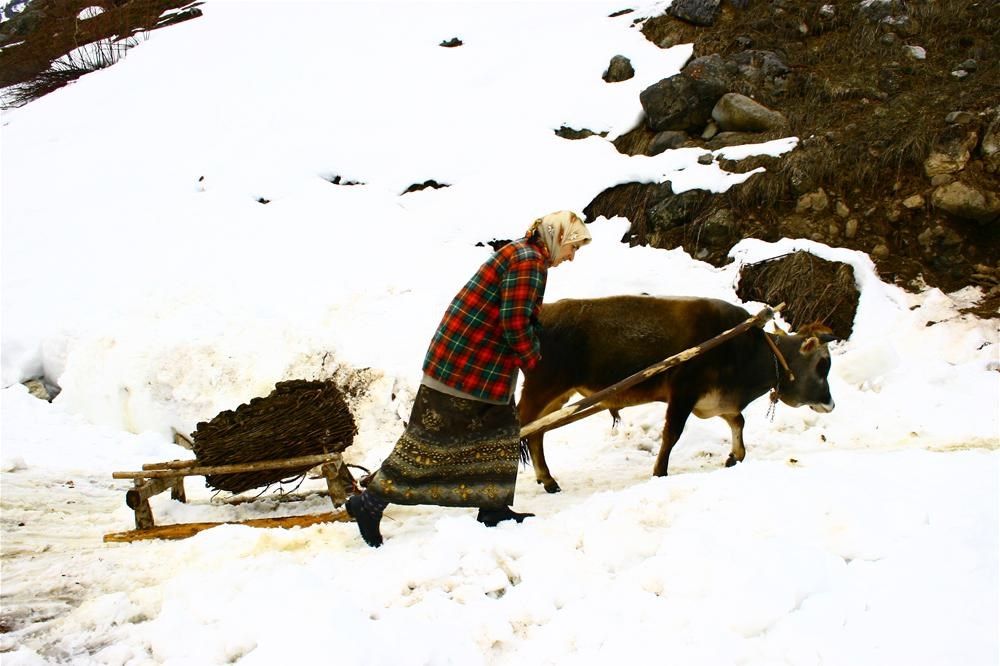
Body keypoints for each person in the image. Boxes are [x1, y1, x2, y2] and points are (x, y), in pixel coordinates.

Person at [346, 210, 592, 547]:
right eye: (573, 247)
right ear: (557, 237)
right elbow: (515, 321)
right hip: (464, 367)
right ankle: (369, 504)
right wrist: (534, 362)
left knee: (500, 432)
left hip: (479, 365)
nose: (572, 257)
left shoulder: (523, 253)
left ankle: (493, 508)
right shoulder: (529, 261)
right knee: (428, 441)